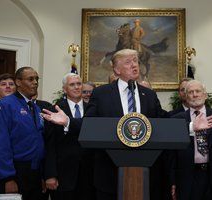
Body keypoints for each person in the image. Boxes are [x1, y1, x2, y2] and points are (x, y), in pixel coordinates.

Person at [42, 49, 169, 200]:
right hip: (108, 172)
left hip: (142, 172)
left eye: (136, 61)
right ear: (116, 69)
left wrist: (190, 125)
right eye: (128, 62)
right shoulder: (101, 93)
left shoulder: (148, 94)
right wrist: (68, 121)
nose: (134, 65)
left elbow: (163, 122)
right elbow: (90, 124)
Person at [0, 67, 45, 200]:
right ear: (18, 82)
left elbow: (38, 140)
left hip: (35, 173)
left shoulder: (35, 107)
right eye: (30, 79)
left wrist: (41, 175)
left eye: (37, 79)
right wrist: (8, 178)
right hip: (15, 172)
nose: (35, 82)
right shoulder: (5, 106)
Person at [170, 80, 212, 200]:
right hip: (187, 177)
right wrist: (172, 181)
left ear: (205, 95)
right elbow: (171, 155)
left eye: (198, 91)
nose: (194, 94)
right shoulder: (176, 119)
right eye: (190, 92)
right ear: (186, 97)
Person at [44, 73, 95, 200]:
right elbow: (49, 145)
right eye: (72, 84)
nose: (77, 87)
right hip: (63, 175)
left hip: (90, 175)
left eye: (79, 84)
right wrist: (50, 174)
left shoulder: (93, 109)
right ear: (64, 89)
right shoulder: (54, 110)